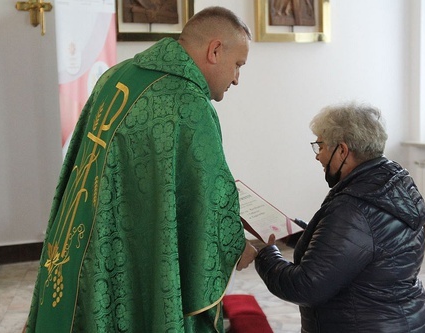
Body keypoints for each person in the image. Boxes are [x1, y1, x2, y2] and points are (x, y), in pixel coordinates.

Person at [24, 6, 257, 333]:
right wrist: (237, 245)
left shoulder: (116, 75)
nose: (236, 78)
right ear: (215, 50)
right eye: (238, 65)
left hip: (80, 246)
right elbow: (209, 199)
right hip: (128, 260)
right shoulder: (187, 104)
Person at [255, 102, 425, 332]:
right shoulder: (391, 185)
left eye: (320, 146)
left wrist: (264, 254)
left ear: (342, 150)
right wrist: (293, 232)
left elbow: (305, 287)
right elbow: (351, 249)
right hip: (408, 321)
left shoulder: (353, 207)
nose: (318, 157)